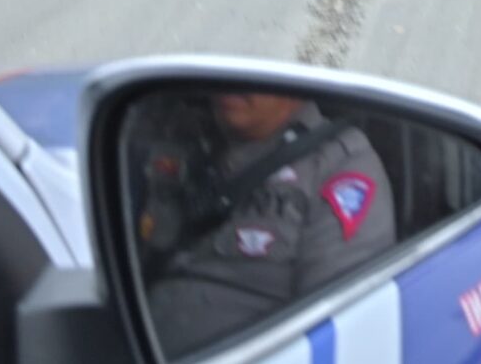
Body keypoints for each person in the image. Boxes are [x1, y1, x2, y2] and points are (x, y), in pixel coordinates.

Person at [142, 92, 397, 354]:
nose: (232, 78)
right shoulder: (183, 138)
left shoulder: (340, 168)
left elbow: (339, 327)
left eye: (250, 65)